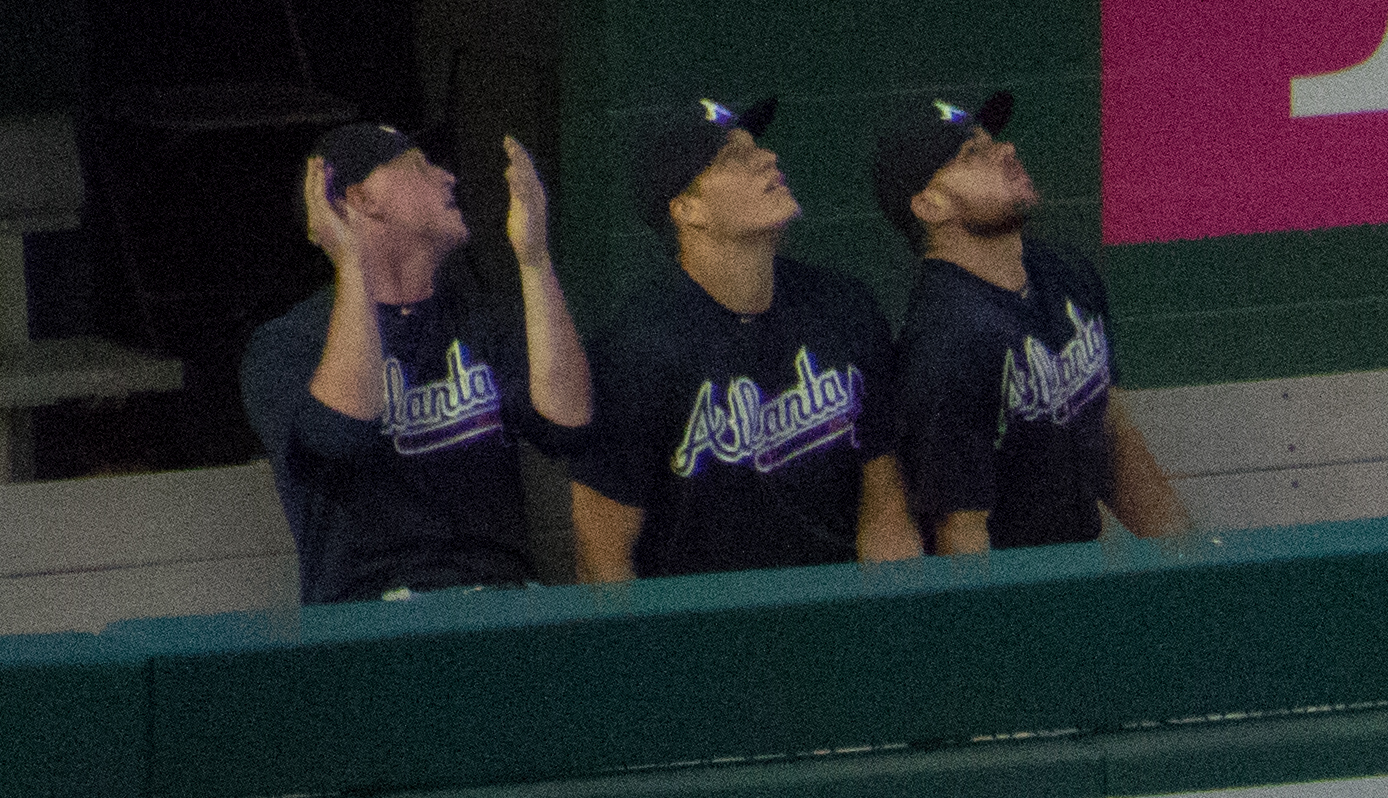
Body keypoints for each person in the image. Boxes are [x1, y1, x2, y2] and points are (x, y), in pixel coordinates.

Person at [568, 96, 916, 581]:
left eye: (759, 148)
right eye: (735, 158)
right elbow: (602, 552)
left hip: (835, 620)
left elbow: (882, 503)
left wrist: (896, 624)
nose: (768, 158)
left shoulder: (843, 306)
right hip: (703, 633)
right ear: (687, 210)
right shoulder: (638, 347)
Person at [240, 124, 591, 603]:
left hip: (501, 598)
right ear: (361, 199)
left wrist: (533, 258)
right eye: (419, 166)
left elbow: (568, 423)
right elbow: (340, 433)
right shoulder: (288, 341)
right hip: (373, 618)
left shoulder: (479, 317)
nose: (447, 177)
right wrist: (350, 263)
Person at [869, 90, 1190, 554]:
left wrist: (1190, 563)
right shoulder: (945, 341)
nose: (1006, 149)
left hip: (1076, 562)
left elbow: (1112, 437)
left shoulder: (1063, 272)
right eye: (972, 154)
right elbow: (960, 538)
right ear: (931, 206)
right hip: (1010, 592)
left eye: (993, 140)